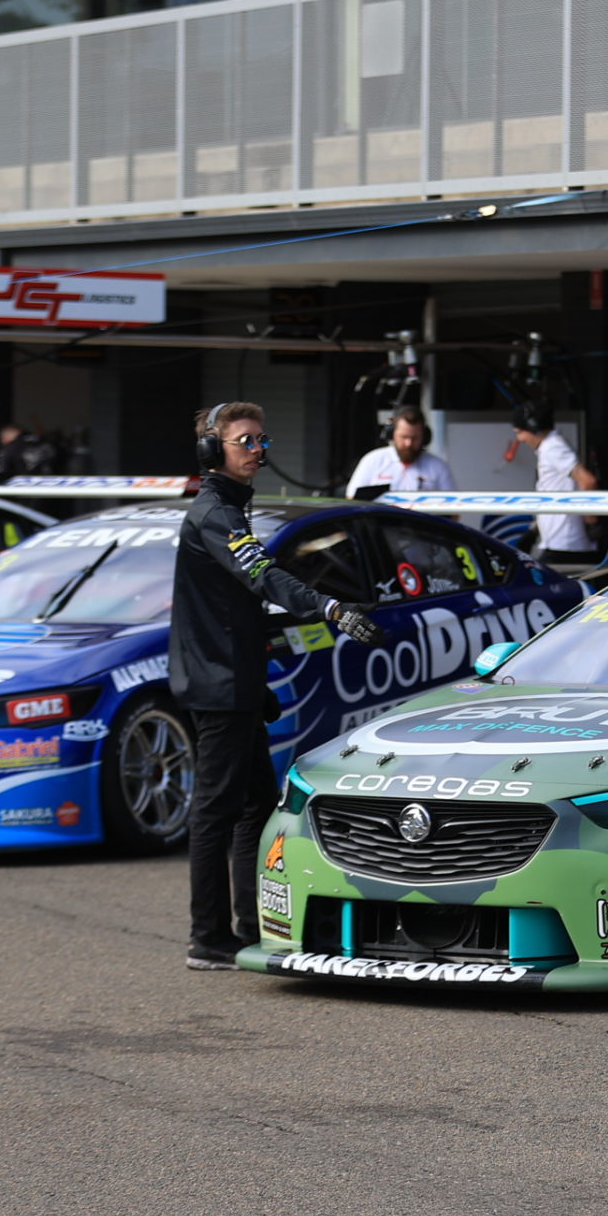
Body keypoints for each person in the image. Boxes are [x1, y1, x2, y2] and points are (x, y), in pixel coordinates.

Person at [174, 402, 381, 969]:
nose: (258, 450)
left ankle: (249, 927)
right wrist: (330, 607)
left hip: (236, 682)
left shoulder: (230, 509)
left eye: (262, 439)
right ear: (212, 450)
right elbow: (262, 575)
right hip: (219, 687)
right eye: (245, 440)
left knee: (255, 807)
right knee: (215, 812)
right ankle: (207, 938)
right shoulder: (215, 513)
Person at [511, 405, 600, 568]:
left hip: (567, 544)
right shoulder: (549, 447)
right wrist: (534, 530)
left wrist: (592, 523)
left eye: (519, 432)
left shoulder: (553, 447)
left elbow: (587, 481)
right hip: (560, 543)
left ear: (533, 428)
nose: (520, 439)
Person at [347, 404, 458, 496]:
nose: (408, 443)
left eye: (415, 438)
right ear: (391, 434)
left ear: (425, 437)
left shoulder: (438, 467)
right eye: (404, 437)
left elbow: (453, 509)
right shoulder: (372, 461)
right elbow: (352, 498)